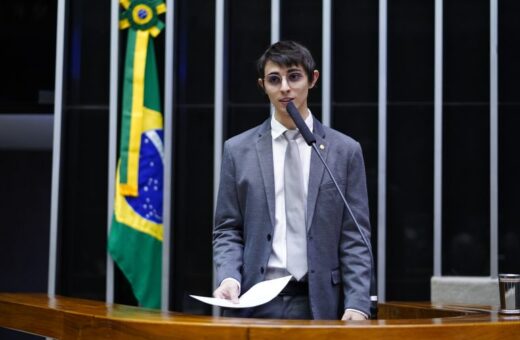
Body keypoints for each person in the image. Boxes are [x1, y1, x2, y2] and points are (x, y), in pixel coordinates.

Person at [212, 40, 372, 320]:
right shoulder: (237, 150)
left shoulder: (344, 151)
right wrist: (228, 277)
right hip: (254, 300)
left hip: (319, 301)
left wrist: (357, 304)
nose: (285, 87)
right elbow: (227, 229)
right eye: (275, 79)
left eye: (294, 76)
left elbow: (355, 236)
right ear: (263, 85)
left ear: (313, 79)